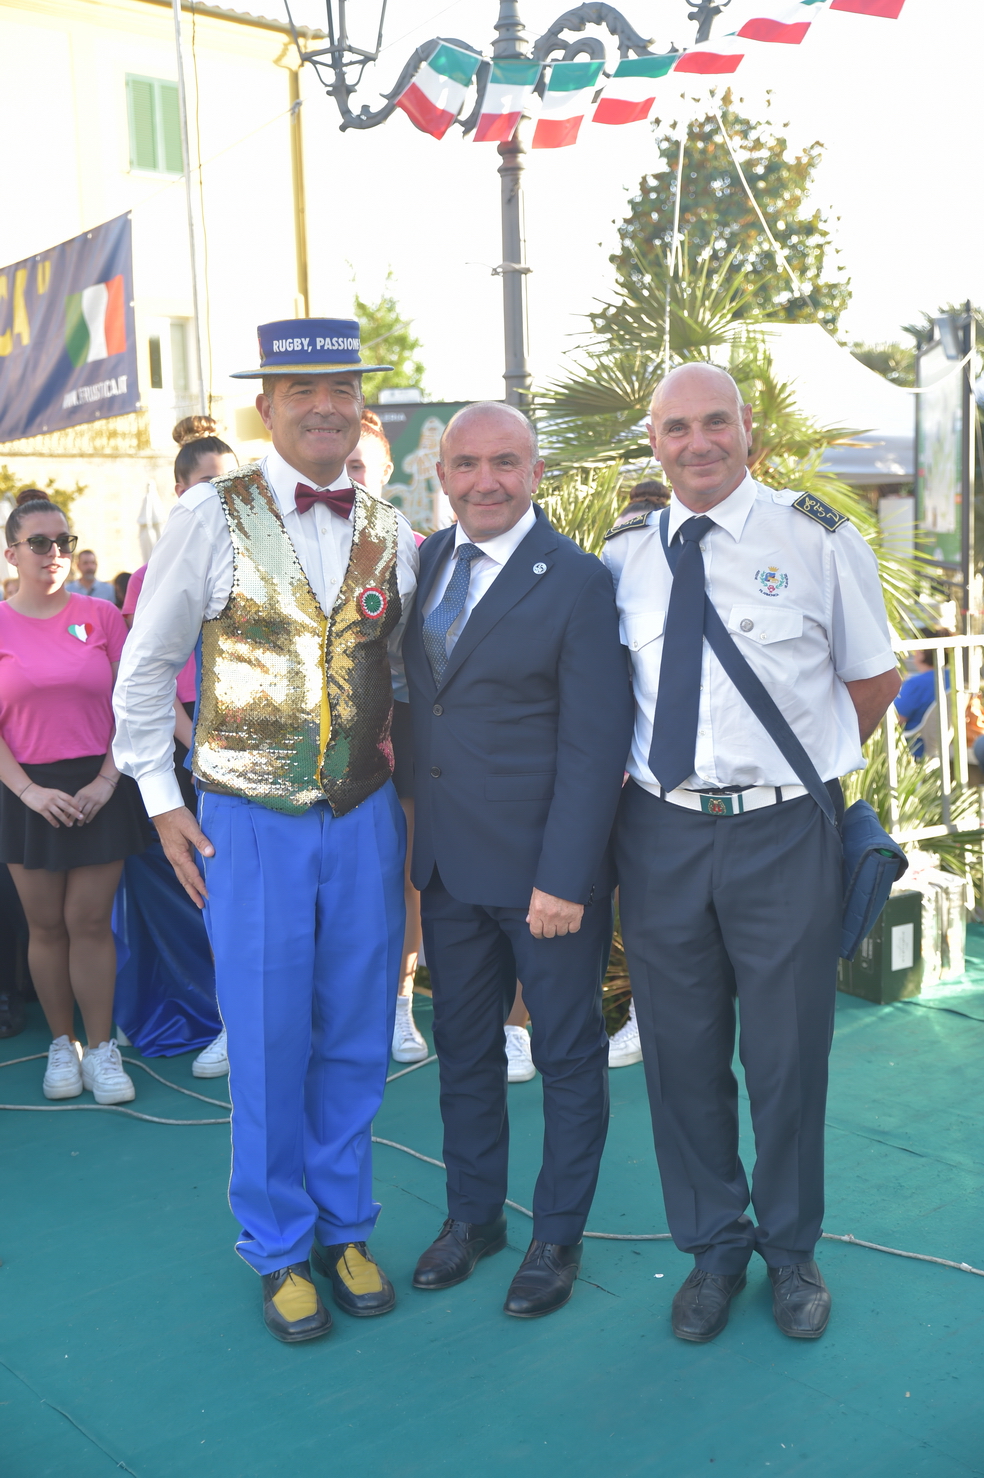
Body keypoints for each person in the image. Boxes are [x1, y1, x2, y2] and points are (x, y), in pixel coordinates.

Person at [114, 317, 418, 1345]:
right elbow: (146, 667)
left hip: (364, 817)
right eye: (302, 392)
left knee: (358, 1031)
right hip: (249, 820)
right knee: (268, 1032)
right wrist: (160, 799)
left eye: (341, 389)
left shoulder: (392, 526)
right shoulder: (210, 513)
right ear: (267, 407)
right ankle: (279, 1242)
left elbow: (400, 675)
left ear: (360, 405)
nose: (324, 407)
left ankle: (346, 1226)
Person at [604, 362, 899, 1343]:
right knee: (679, 1053)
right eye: (677, 427)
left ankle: (792, 1249)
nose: (698, 442)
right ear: (656, 443)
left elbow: (872, 679)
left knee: (787, 1056)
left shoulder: (816, 539)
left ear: (746, 430)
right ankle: (713, 1249)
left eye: (715, 422)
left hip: (780, 830)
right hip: (662, 830)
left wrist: (795, 772)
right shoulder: (624, 555)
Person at [404, 402, 634, 1319]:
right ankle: (474, 1218)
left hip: (546, 877)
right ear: (443, 477)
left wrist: (565, 877)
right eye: (466, 464)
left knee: (567, 1056)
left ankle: (556, 1236)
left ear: (535, 473)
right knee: (465, 1053)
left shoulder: (578, 580)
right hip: (448, 869)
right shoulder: (426, 561)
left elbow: (596, 742)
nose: (485, 481)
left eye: (505, 462)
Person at [0, 498, 152, 1102]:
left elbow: (132, 705)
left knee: (89, 922)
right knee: (45, 927)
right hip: (23, 793)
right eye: (39, 542)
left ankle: (103, 1048)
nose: (55, 553)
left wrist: (106, 782)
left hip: (99, 787)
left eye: (63, 540)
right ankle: (62, 1046)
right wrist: (29, 792)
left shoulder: (102, 615)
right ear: (11, 554)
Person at [115, 426, 237, 1069]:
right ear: (181, 489)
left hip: (246, 757)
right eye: (208, 482)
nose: (221, 494)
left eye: (230, 481)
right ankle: (226, 1019)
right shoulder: (149, 575)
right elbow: (148, 675)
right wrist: (197, 744)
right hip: (184, 756)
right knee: (207, 896)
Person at [347, 414, 429, 1064]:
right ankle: (342, 1006)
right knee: (341, 874)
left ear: (384, 473)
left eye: (358, 466)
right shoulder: (287, 546)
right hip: (321, 731)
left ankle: (400, 1006)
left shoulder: (415, 548)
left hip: (400, 720)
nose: (346, 479)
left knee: (405, 875)